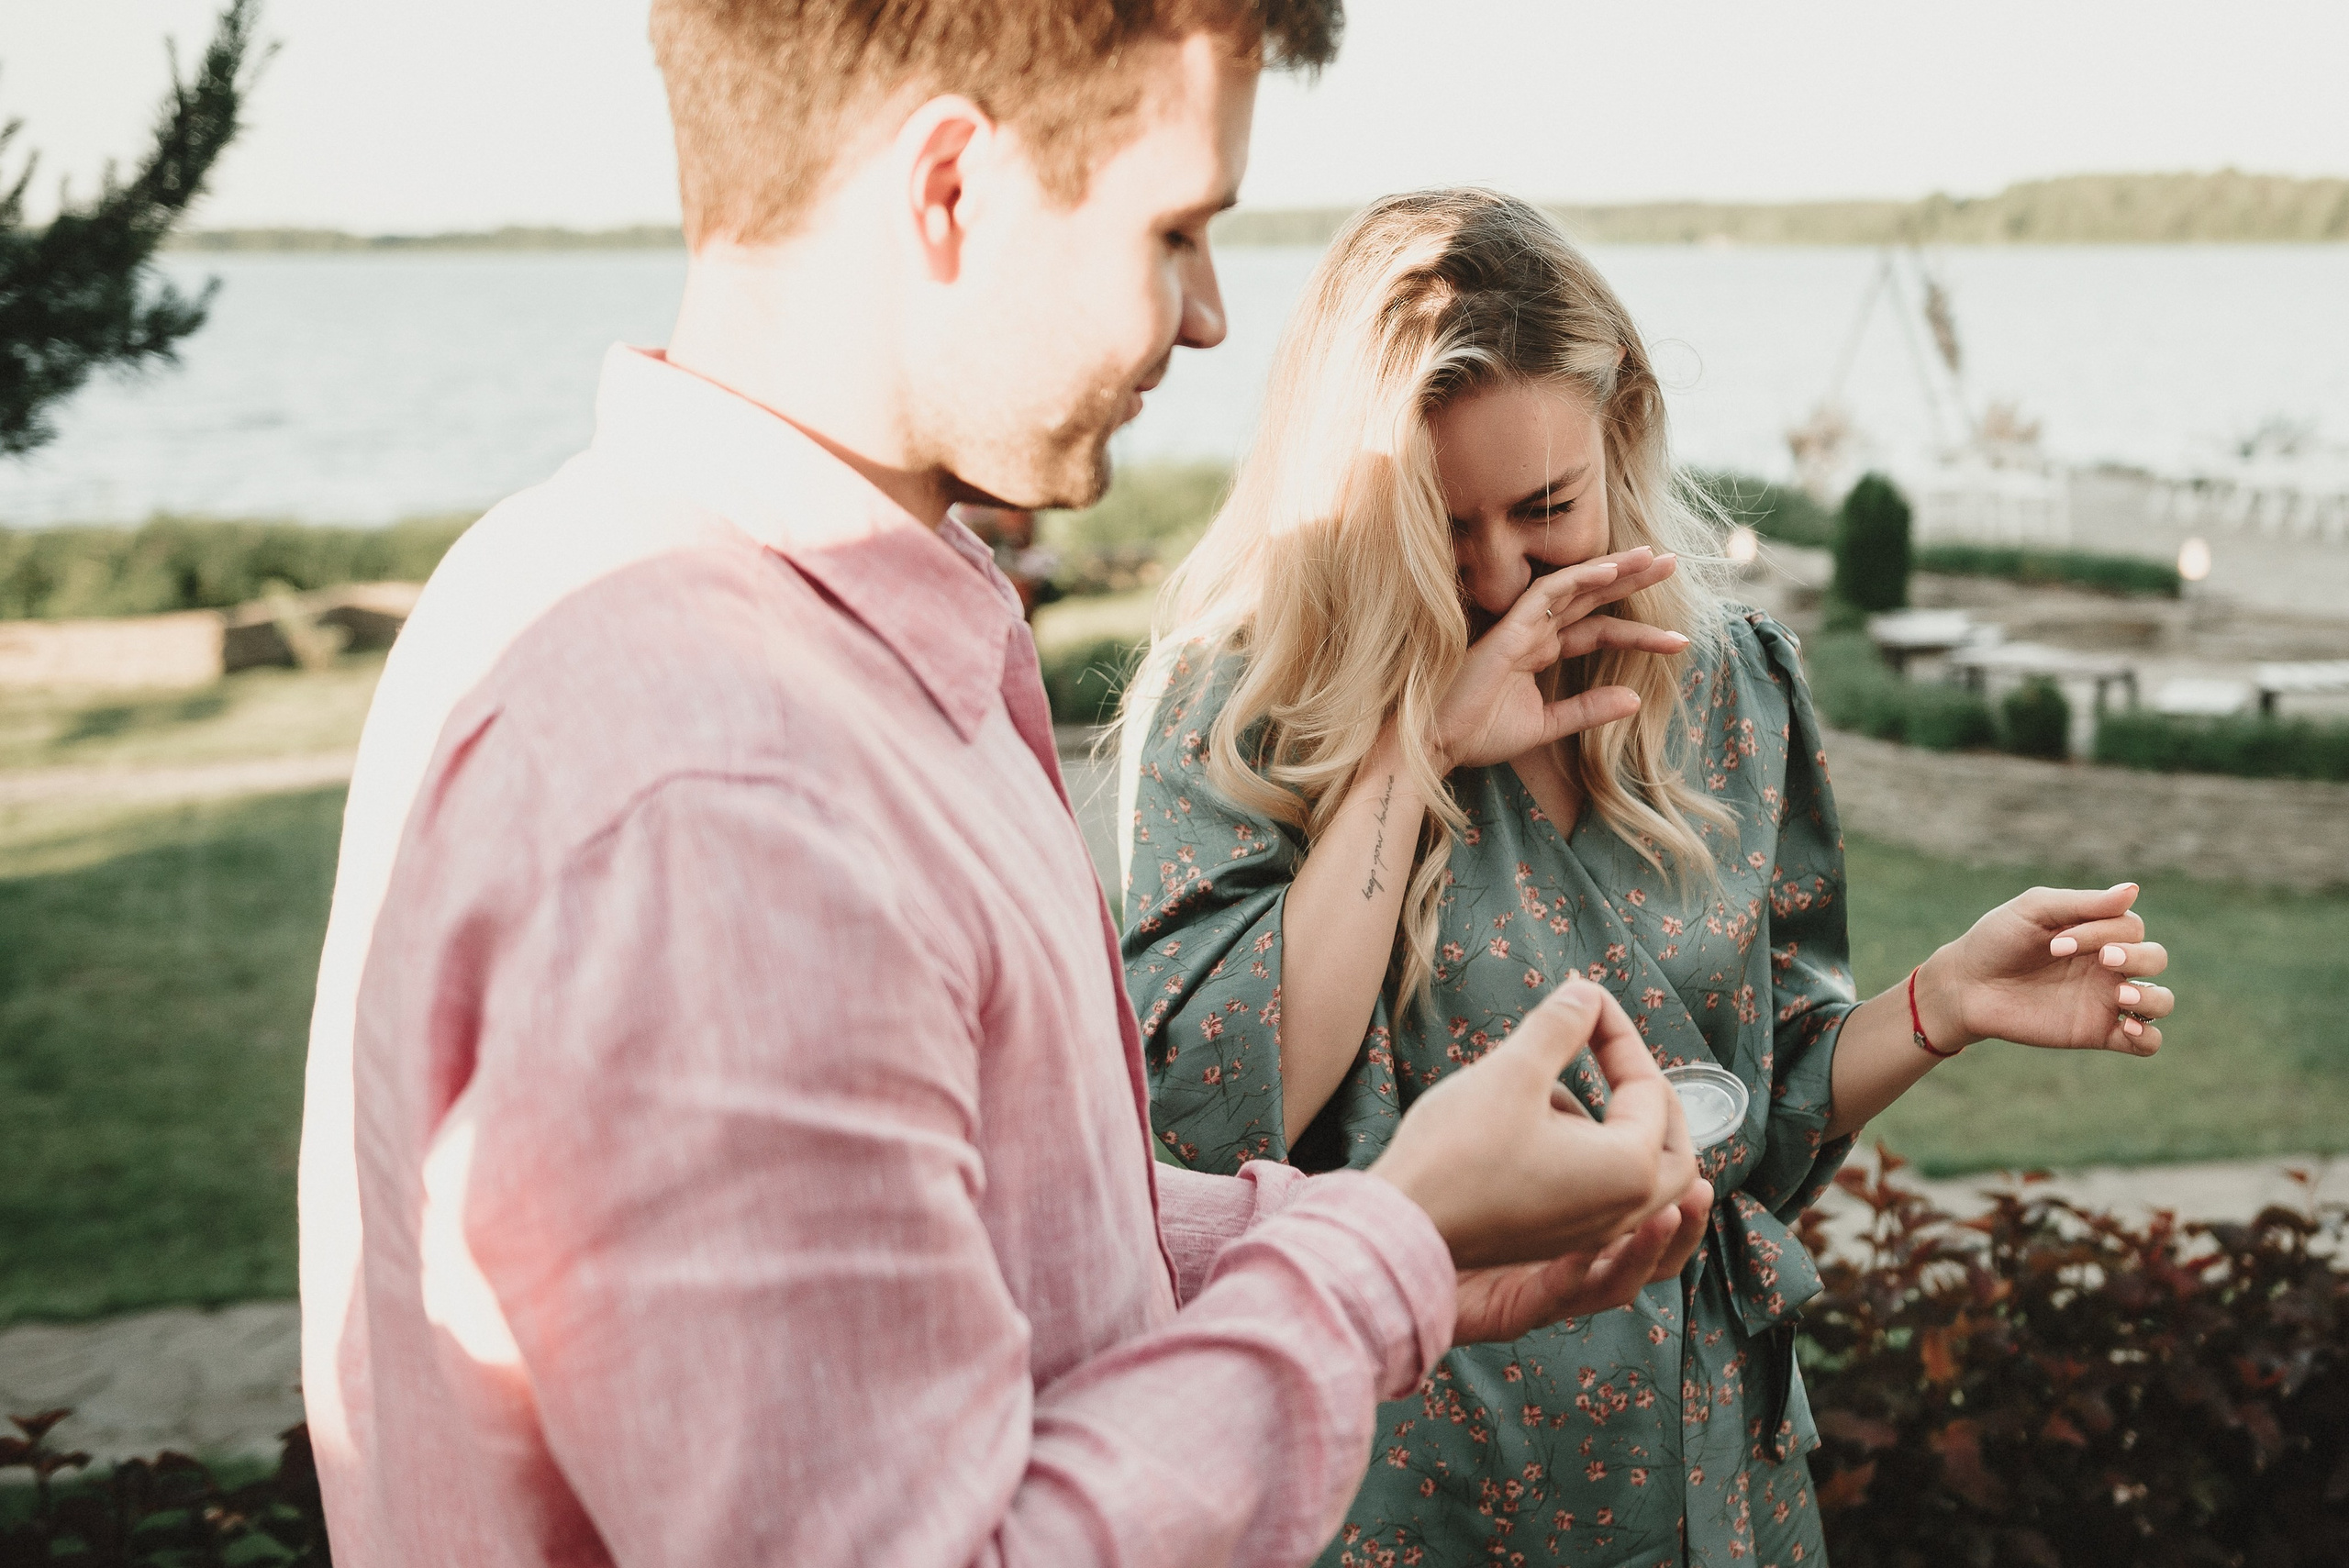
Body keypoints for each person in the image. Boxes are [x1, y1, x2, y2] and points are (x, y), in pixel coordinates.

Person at [295, 10, 1722, 1566]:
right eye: (1173, 230)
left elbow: (1019, 1238)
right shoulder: (723, 798)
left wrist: (1399, 1233)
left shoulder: (612, 577)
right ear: (951, 188)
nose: (1208, 318)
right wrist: (1385, 1247)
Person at [1116, 188, 2175, 1567]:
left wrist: (1943, 1004)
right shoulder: (1243, 712)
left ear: (1621, 429)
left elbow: (1756, 1127)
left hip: (1715, 1479)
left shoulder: (1731, 685)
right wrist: (1416, 755)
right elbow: (1217, 1117)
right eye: (1440, 525)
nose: (1500, 576)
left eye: (1546, 508)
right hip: (1415, 1493)